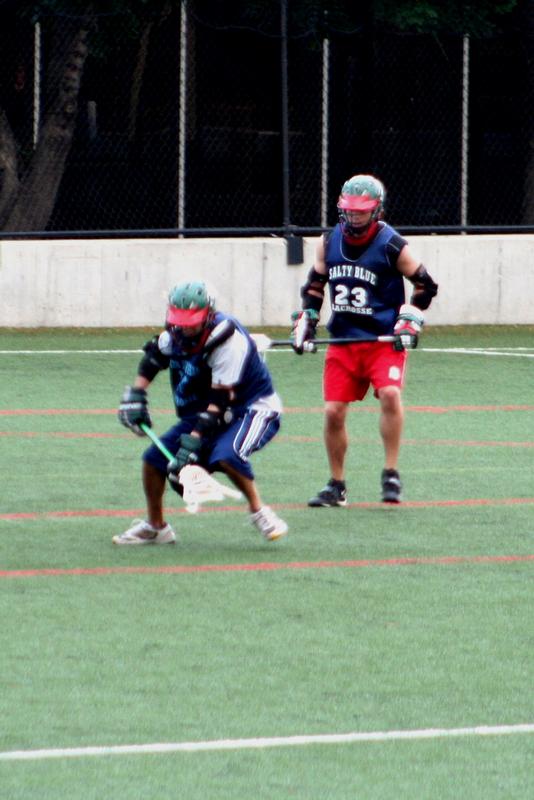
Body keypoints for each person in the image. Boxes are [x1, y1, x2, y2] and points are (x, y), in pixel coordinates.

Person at [291, 174, 438, 506]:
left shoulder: (392, 245)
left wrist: (410, 317)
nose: (355, 217)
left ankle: (391, 472)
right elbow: (315, 286)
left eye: (362, 211)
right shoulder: (328, 242)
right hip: (343, 341)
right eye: (350, 210)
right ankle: (336, 486)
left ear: (377, 211)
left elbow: (425, 285)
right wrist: (307, 320)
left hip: (382, 340)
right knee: (333, 412)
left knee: (390, 394)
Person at [114, 280, 288, 544]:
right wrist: (136, 395)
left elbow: (220, 402)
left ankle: (259, 511)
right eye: (179, 321)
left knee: (227, 455)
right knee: (154, 460)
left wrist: (192, 443)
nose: (184, 328)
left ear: (208, 315)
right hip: (210, 411)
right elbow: (154, 359)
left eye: (191, 322)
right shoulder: (174, 334)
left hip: (251, 408)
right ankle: (156, 527)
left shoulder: (228, 341)